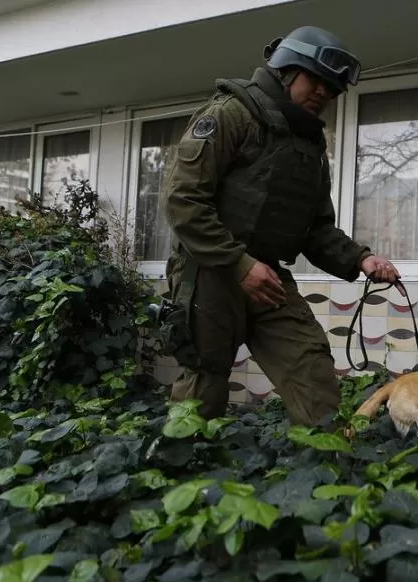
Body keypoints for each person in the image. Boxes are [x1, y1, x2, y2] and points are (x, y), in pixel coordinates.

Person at [159, 25, 401, 427]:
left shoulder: (309, 146)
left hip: (268, 274)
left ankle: (331, 467)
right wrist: (240, 266)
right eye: (316, 81)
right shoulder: (230, 114)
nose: (323, 93)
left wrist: (362, 259)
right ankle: (183, 475)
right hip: (211, 272)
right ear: (286, 69)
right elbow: (183, 201)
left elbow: (316, 230)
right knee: (204, 379)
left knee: (309, 365)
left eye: (332, 89)